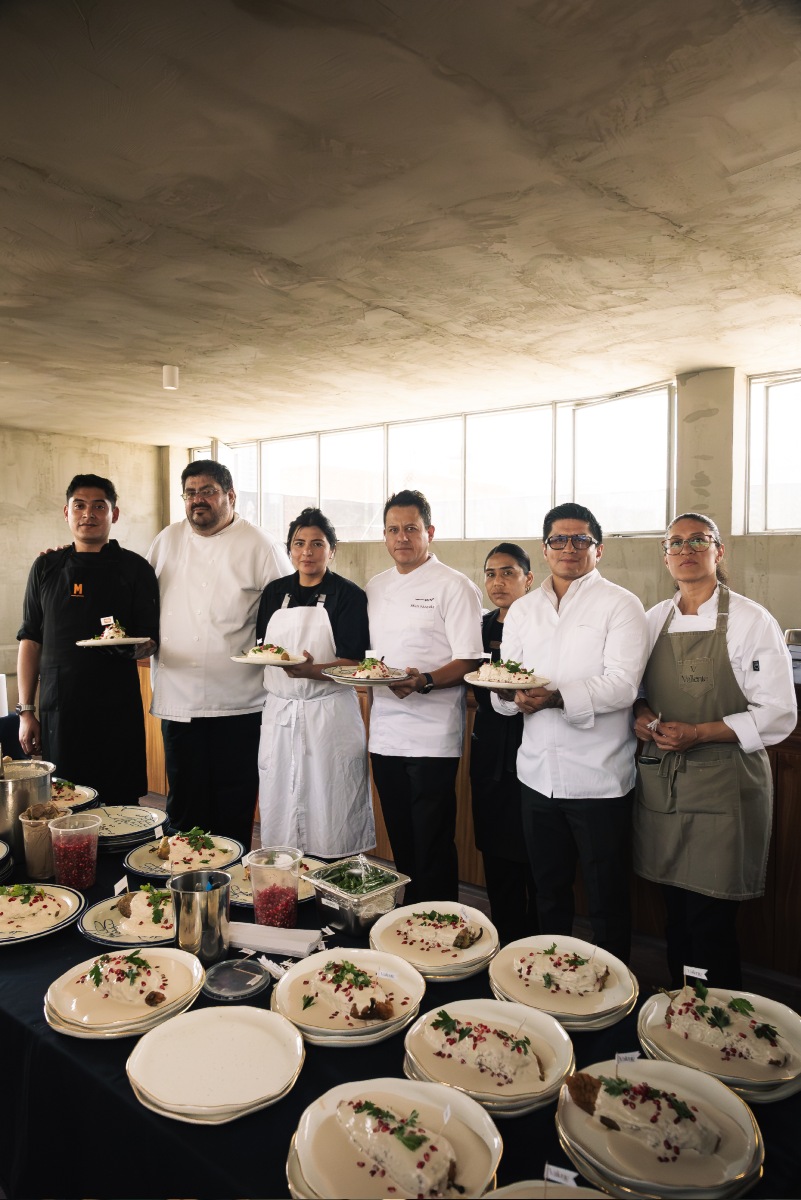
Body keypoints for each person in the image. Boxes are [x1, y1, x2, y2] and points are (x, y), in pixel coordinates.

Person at [632, 512, 796, 988]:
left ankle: (716, 1024)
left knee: (710, 919)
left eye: (697, 540)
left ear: (718, 551)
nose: (685, 550)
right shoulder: (652, 619)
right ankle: (678, 1014)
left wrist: (700, 733)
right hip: (664, 787)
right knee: (675, 915)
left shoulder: (750, 619)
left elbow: (779, 712)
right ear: (665, 556)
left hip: (725, 788)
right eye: (675, 543)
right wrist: (640, 715)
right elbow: (633, 688)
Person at [492, 502, 649, 963]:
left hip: (599, 778)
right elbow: (506, 679)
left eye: (581, 540)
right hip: (537, 774)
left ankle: (613, 992)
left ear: (597, 550)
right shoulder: (524, 609)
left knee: (606, 896)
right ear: (544, 550)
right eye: (559, 540)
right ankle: (549, 978)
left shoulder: (620, 604)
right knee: (549, 889)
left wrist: (558, 697)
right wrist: (512, 697)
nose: (569, 548)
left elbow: (623, 684)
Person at [146, 460, 291, 849]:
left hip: (240, 704)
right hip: (179, 700)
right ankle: (184, 892)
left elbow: (287, 611)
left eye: (207, 491)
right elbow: (140, 602)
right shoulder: (166, 540)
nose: (198, 500)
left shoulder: (260, 544)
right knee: (185, 809)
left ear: (230, 496)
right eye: (190, 493)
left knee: (233, 807)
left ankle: (230, 897)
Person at [367, 489, 483, 902]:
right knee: (400, 836)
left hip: (433, 737)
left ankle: (439, 926)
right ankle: (406, 923)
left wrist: (425, 681)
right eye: (394, 529)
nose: (402, 537)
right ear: (384, 535)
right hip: (383, 734)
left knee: (432, 840)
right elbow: (371, 658)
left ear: (429, 532)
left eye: (411, 528)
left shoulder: (455, 586)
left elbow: (469, 660)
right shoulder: (376, 587)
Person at [16, 474, 159, 805]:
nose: (88, 514)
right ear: (66, 512)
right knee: (62, 804)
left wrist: (142, 645)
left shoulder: (136, 569)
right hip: (59, 711)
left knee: (121, 808)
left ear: (114, 514)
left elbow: (150, 638)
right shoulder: (45, 567)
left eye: (99, 506)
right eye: (79, 505)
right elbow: (30, 640)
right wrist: (26, 711)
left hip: (116, 711)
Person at [255, 507, 375, 857]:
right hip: (281, 711)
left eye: (317, 544)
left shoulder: (349, 595)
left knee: (332, 800)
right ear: (289, 549)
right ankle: (285, 879)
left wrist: (314, 670)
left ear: (332, 550)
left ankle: (336, 879)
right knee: (282, 796)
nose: (307, 551)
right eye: (299, 543)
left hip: (329, 713)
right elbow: (262, 648)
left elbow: (356, 663)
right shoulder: (274, 592)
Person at [470, 543, 538, 944]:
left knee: (532, 847)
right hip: (489, 745)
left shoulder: (541, 624)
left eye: (509, 573)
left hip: (532, 744)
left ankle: (535, 940)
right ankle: (506, 937)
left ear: (529, 578)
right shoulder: (479, 625)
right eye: (492, 573)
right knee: (495, 845)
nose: (499, 582)